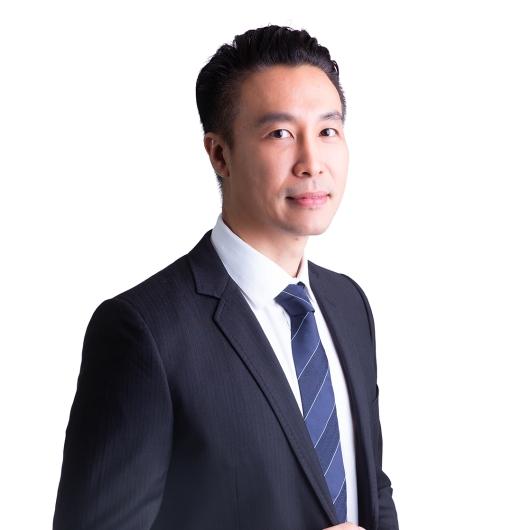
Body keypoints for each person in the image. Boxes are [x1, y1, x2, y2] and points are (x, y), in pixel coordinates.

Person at [53, 25, 399, 530]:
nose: (312, 163)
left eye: (328, 131)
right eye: (280, 134)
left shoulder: (349, 305)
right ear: (219, 154)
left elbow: (371, 489)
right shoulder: (143, 331)